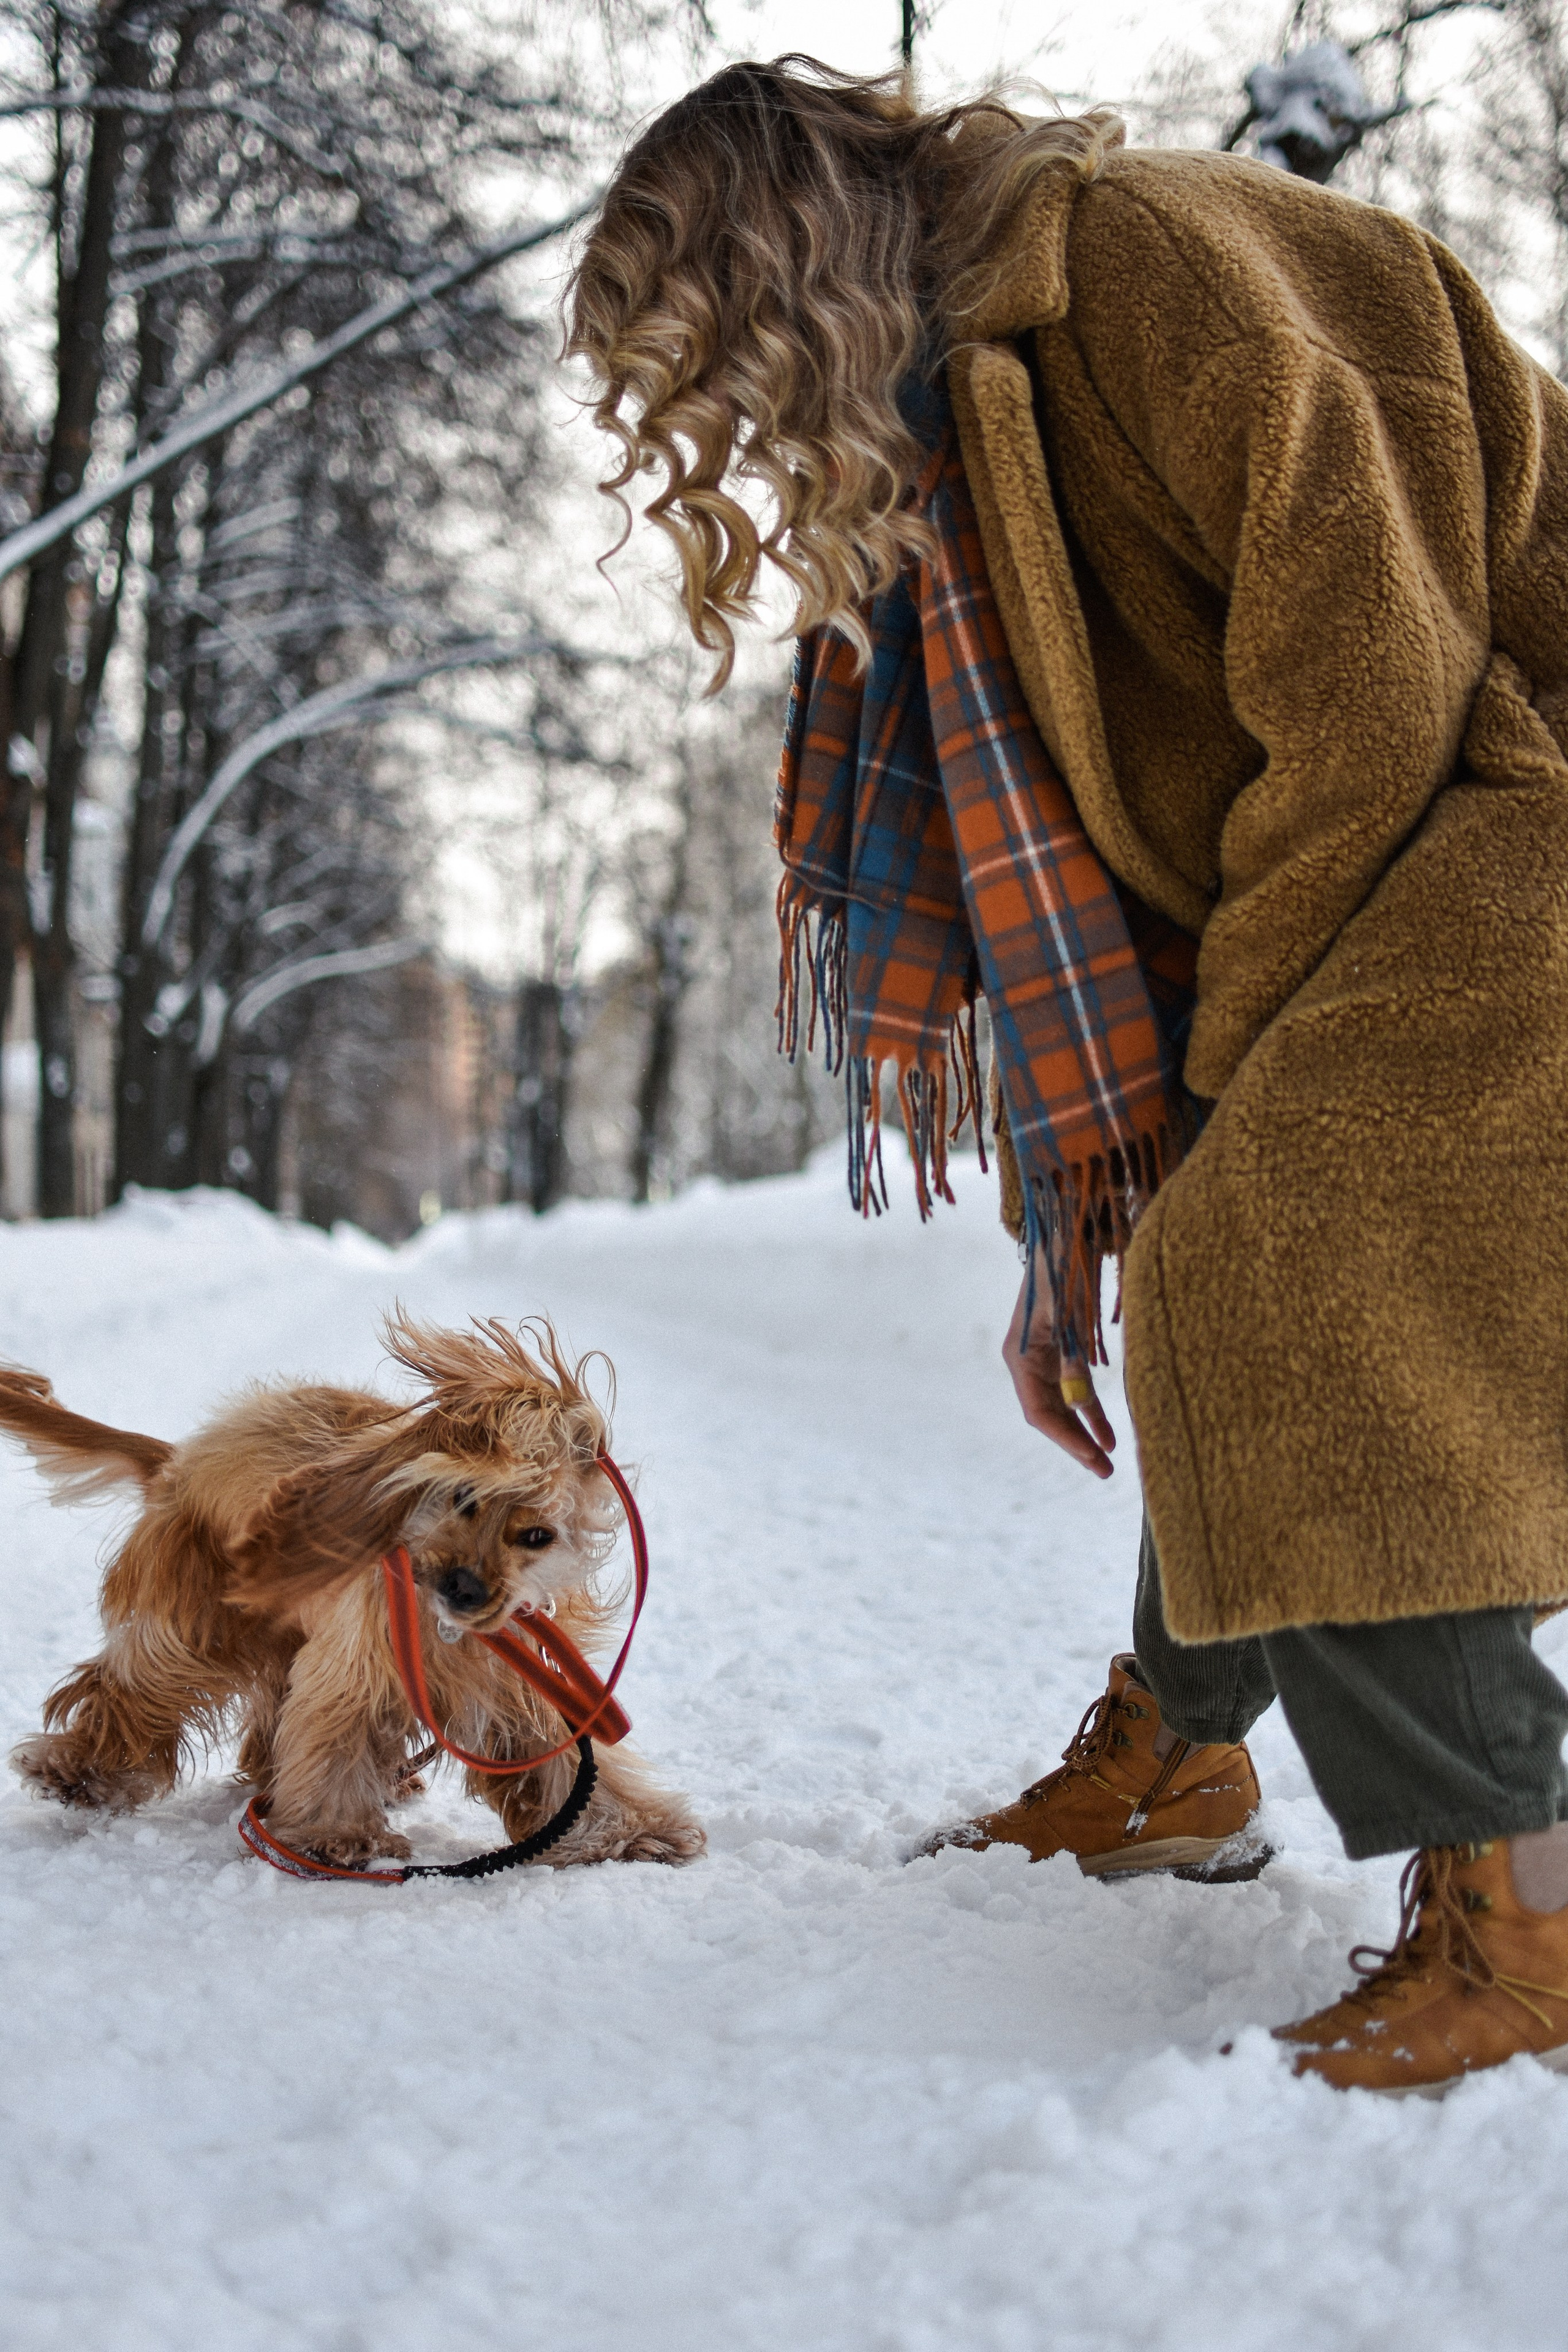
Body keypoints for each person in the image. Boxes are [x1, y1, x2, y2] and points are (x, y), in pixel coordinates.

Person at [565, 55, 1568, 2095]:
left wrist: (1232, 1094)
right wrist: (1076, 1229)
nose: (734, 424)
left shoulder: (1147, 266)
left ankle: (1529, 1900)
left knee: (1293, 1257)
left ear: (792, 264)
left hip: (1510, 785)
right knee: (1218, 1236)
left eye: (718, 347)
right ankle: (1184, 1754)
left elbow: (1369, 694)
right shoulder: (958, 447)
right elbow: (1092, 903)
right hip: (1407, 825)